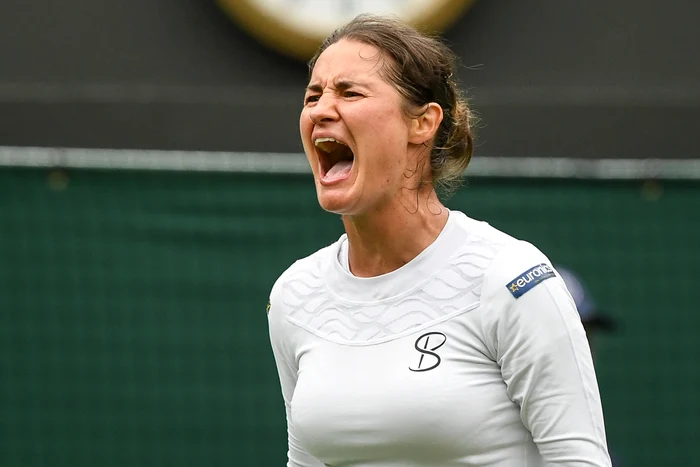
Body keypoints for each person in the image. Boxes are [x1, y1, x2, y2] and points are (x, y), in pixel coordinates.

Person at [267, 14, 613, 467]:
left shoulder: (510, 278)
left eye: (349, 92)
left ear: (423, 123)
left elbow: (578, 459)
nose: (320, 109)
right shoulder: (294, 296)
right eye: (313, 95)